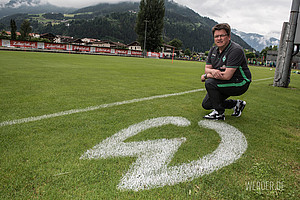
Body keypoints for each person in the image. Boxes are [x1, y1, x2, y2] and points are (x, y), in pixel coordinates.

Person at [201, 23, 252, 120]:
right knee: (207, 104)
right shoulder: (213, 50)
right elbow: (207, 68)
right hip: (225, 81)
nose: (219, 38)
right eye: (216, 36)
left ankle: (219, 113)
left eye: (222, 35)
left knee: (210, 83)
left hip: (240, 82)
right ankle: (236, 104)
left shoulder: (235, 50)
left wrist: (207, 75)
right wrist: (212, 71)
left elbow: (227, 76)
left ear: (228, 37)